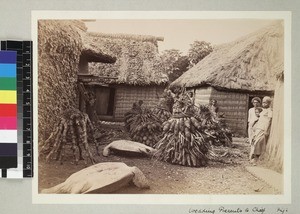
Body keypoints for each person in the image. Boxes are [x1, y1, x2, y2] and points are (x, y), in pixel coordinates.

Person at [249, 96, 273, 165]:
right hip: (258, 128)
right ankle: (254, 158)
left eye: (265, 103)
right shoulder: (263, 110)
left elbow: (269, 120)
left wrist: (266, 130)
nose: (263, 104)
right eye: (263, 102)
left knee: (258, 143)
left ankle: (256, 159)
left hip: (263, 129)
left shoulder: (269, 111)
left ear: (269, 103)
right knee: (254, 142)